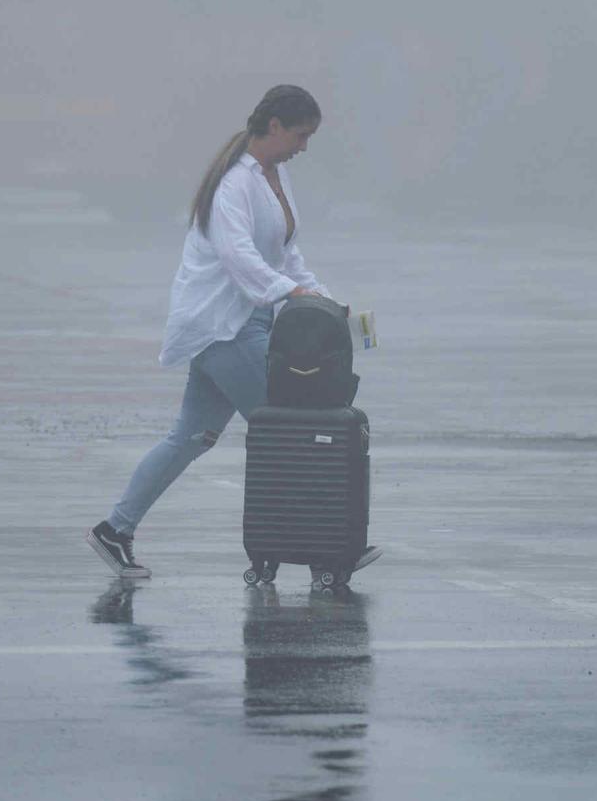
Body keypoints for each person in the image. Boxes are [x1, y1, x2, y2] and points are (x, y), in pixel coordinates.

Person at [88, 84, 379, 580]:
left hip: (242, 323)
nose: (304, 147)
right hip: (223, 328)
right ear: (274, 127)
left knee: (191, 437)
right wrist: (290, 294)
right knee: (298, 430)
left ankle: (115, 530)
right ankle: (323, 553)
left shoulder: (275, 175)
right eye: (301, 135)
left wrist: (326, 300)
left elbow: (285, 255)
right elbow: (237, 255)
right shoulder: (233, 184)